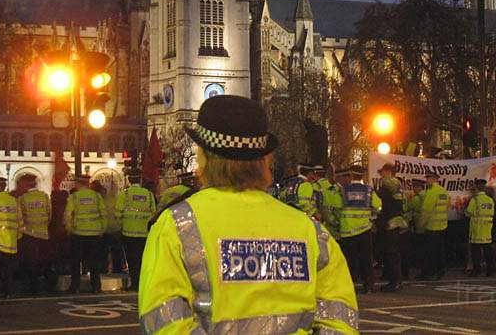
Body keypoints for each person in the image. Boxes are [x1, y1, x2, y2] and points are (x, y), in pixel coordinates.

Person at [139, 95, 358, 334]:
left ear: (203, 155)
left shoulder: (177, 225)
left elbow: (165, 324)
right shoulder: (310, 231)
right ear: (265, 159)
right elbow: (340, 320)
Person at [335, 164, 382, 294]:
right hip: (365, 229)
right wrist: (372, 215)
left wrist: (338, 220)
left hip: (347, 230)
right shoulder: (369, 190)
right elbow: (378, 206)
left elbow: (337, 208)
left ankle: (346, 285)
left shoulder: (343, 190)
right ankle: (369, 286)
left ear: (350, 176)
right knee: (366, 259)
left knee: (348, 259)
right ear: (363, 176)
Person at [64, 175, 106, 293]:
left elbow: (68, 215)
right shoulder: (97, 196)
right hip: (94, 234)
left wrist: (69, 229)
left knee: (76, 262)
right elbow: (103, 213)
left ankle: (75, 287)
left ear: (78, 184)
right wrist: (102, 229)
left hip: (78, 234)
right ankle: (96, 287)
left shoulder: (74, 197)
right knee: (94, 262)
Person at [115, 174, 156, 291]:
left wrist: (121, 225)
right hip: (144, 234)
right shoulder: (149, 195)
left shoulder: (124, 194)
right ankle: (145, 284)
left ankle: (135, 284)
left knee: (132, 261)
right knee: (144, 260)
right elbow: (153, 214)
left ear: (129, 180)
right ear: (141, 180)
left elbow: (118, 214)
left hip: (129, 233)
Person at [18, 173, 52, 293]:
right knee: (45, 259)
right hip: (43, 233)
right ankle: (48, 285)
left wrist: (21, 231)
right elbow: (49, 214)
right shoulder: (44, 196)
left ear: (26, 185)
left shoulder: (23, 198)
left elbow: (20, 217)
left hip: (29, 234)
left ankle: (33, 286)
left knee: (31, 260)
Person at [376, 163, 407, 291]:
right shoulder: (399, 188)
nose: (381, 175)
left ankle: (394, 281)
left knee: (390, 253)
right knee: (394, 253)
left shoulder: (387, 185)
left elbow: (382, 203)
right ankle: (397, 280)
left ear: (388, 172)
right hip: (397, 221)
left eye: (382, 172)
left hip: (388, 222)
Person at [419, 170, 448, 279]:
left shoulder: (432, 192)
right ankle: (441, 271)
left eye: (427, 178)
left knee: (430, 252)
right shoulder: (444, 191)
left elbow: (426, 210)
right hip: (442, 225)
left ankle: (428, 273)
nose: (426, 181)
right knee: (440, 250)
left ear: (432, 179)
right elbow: (447, 207)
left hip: (431, 226)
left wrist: (421, 224)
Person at [465, 179, 495, 277]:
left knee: (476, 252)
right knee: (488, 250)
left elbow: (468, 213)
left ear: (477, 188)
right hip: (487, 229)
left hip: (477, 229)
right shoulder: (490, 200)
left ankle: (477, 271)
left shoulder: (475, 200)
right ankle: (490, 270)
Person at [406, 179, 426, 276]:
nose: (413, 189)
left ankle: (419, 266)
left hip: (418, 225)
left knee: (419, 247)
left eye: (415, 187)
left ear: (419, 187)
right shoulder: (426, 195)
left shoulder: (417, 197)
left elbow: (409, 207)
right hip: (426, 225)